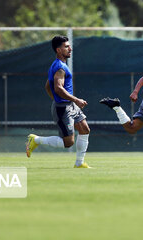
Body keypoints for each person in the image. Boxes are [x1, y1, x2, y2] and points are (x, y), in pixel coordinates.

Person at [26, 35, 91, 168]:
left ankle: (79, 163)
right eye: (66, 46)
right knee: (68, 143)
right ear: (58, 50)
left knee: (85, 129)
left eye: (69, 46)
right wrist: (76, 100)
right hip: (63, 108)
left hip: (69, 105)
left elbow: (47, 86)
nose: (70, 49)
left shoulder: (58, 66)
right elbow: (58, 88)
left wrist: (60, 99)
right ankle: (36, 140)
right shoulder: (60, 68)